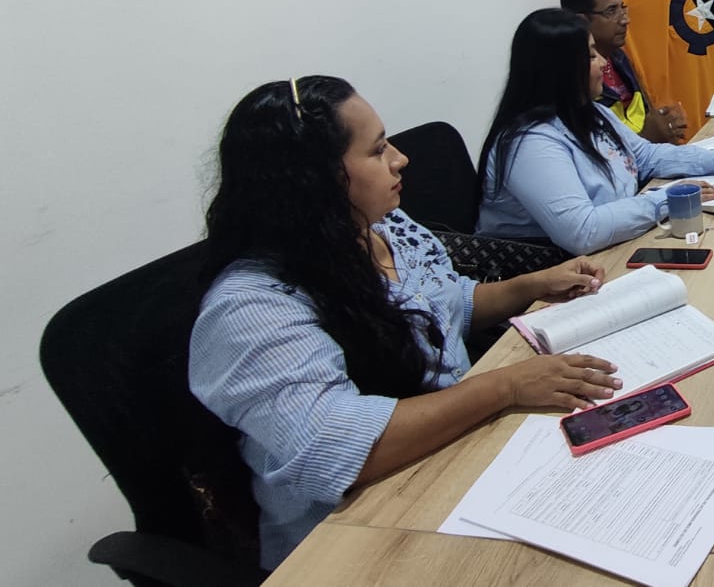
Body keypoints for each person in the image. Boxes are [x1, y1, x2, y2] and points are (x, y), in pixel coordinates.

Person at [189, 76, 623, 570]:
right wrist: (504, 386)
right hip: (355, 534)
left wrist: (531, 285)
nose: (400, 158)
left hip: (447, 455)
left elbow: (445, 304)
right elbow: (341, 448)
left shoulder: (380, 225)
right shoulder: (253, 306)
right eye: (377, 150)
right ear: (313, 178)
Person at [477, 9, 714, 255]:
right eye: (591, 56)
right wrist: (668, 198)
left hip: (615, 245)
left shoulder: (590, 111)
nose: (603, 62)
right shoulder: (529, 143)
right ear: (560, 70)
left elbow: (645, 156)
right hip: (552, 272)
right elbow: (583, 232)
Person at [559, 0, 686, 144]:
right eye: (611, 11)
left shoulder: (619, 57)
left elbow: (649, 116)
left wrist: (666, 126)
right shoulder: (576, 76)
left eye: (622, 8)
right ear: (581, 21)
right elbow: (596, 150)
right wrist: (649, 137)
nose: (626, 20)